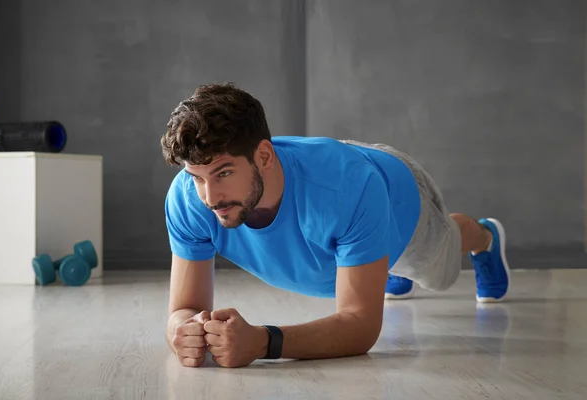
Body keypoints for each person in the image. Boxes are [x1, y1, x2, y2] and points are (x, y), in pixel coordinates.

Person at [160, 82, 511, 369]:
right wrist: (181, 332)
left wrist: (264, 342)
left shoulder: (350, 189)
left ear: (263, 157)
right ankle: (374, 265)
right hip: (342, 189)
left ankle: (482, 236)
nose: (209, 197)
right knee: (370, 262)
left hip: (395, 197)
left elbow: (360, 325)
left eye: (223, 173)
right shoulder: (188, 199)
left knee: (438, 274)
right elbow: (183, 309)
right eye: (197, 178)